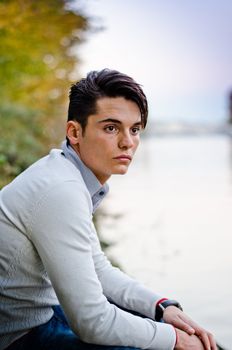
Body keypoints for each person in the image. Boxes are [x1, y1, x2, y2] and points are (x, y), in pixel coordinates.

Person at [0, 69, 217, 350]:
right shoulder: (60, 189)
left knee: (152, 324)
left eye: (135, 129)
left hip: (41, 315)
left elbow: (97, 267)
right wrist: (175, 339)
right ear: (75, 132)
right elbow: (92, 322)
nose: (127, 142)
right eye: (111, 128)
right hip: (19, 336)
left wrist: (162, 307)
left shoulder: (67, 175)